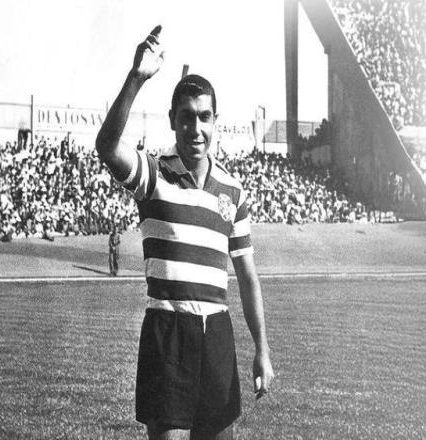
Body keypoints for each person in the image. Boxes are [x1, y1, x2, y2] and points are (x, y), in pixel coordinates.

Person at [96, 25, 274, 440]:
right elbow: (106, 147)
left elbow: (247, 277)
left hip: (217, 333)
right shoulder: (153, 174)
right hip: (168, 330)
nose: (196, 128)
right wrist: (136, 78)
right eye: (187, 117)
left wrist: (262, 350)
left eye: (205, 117)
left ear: (215, 121)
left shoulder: (233, 190)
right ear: (173, 121)